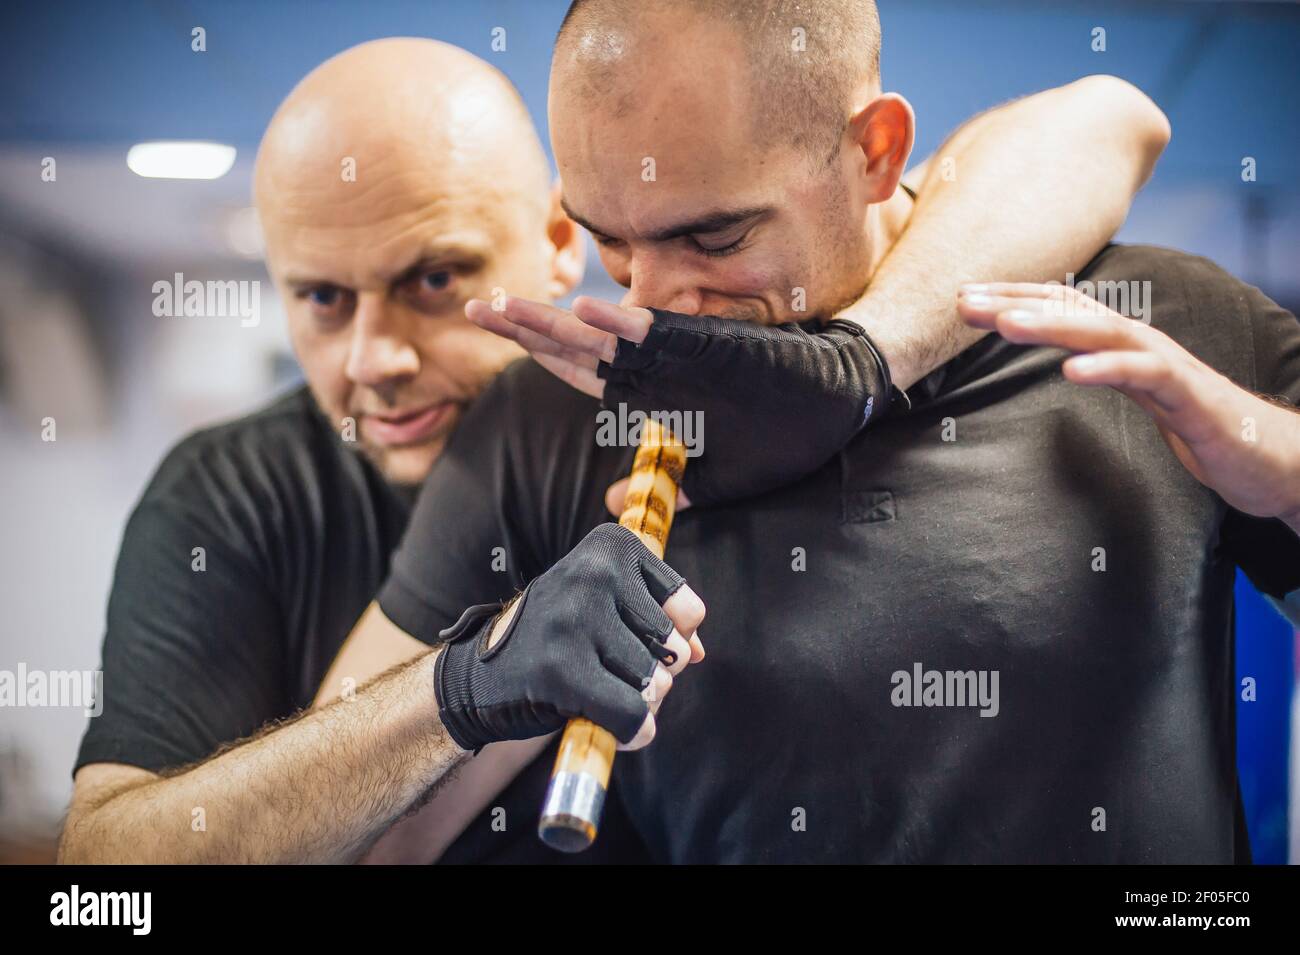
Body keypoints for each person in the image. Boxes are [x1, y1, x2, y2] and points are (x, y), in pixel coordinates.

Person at [60, 29, 1170, 863]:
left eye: (435, 281)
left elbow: (1103, 116)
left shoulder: (670, 405)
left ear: (559, 251)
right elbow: (103, 885)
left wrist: (857, 358)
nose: (374, 359)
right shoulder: (234, 495)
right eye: (318, 298)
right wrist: (465, 684)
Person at [374, 0, 1300, 862]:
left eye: (716, 237)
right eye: (611, 240)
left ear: (877, 153)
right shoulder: (551, 409)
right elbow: (372, 841)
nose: (649, 307)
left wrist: (1285, 472)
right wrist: (491, 680)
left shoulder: (1156, 324)